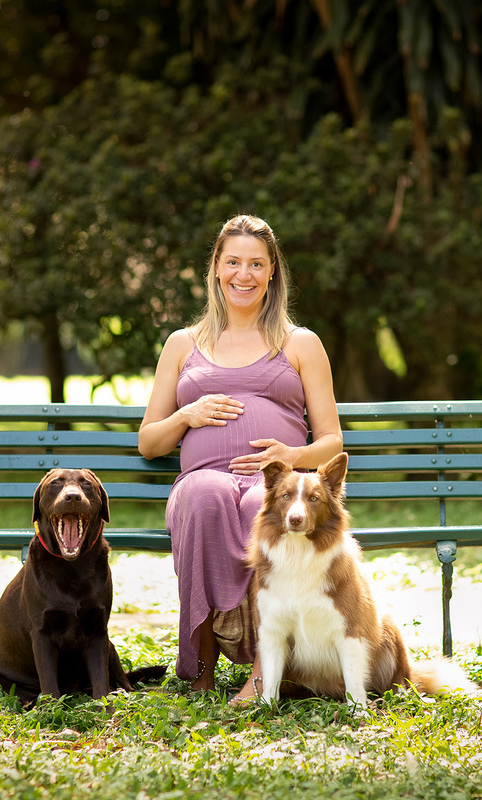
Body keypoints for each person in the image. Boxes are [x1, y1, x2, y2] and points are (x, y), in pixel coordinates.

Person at [138, 214, 343, 702]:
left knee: (265, 510)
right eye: (233, 262)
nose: (243, 275)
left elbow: (332, 441)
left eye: (255, 264)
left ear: (272, 272)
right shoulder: (183, 345)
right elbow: (149, 441)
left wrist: (292, 454)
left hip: (274, 483)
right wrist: (186, 414)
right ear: (215, 268)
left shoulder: (300, 343)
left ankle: (263, 672)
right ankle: (202, 668)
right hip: (201, 477)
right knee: (203, 499)